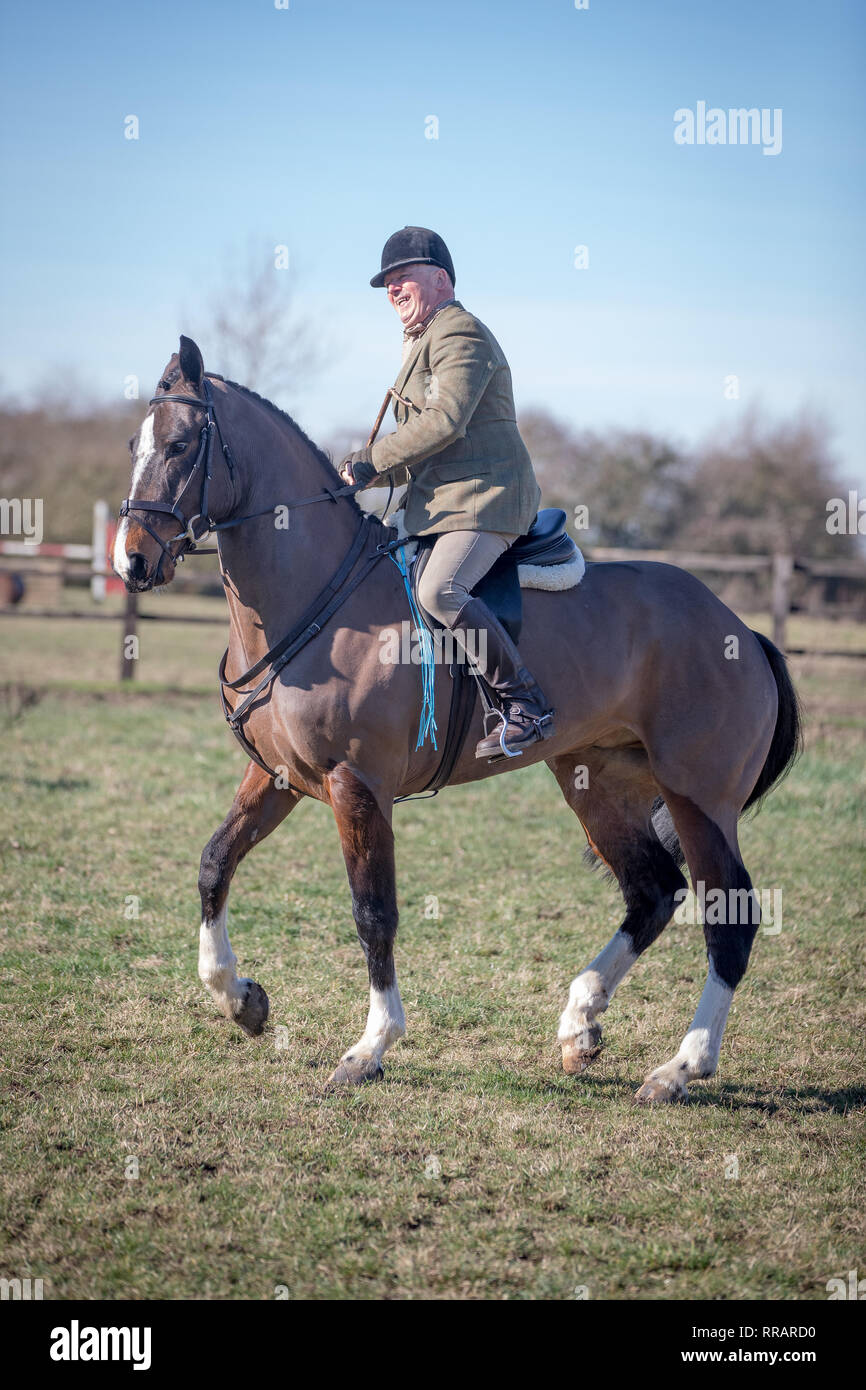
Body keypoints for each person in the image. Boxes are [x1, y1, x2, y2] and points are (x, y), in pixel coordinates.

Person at [340, 226, 555, 759]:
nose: (392, 290)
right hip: (441, 504)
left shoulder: (460, 334)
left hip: (485, 499)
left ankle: (525, 706)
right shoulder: (421, 344)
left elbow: (444, 423)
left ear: (440, 279)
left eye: (402, 278)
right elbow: (423, 451)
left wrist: (372, 460)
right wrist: (351, 480)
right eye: (387, 283)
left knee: (440, 590)